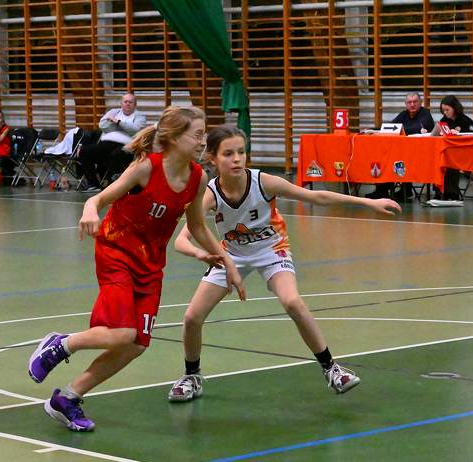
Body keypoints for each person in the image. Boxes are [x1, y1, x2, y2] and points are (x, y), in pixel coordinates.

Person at [27, 106, 246, 432]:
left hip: (150, 265)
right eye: (198, 134)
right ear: (174, 138)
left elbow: (197, 226)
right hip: (116, 254)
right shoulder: (145, 168)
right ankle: (61, 344)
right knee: (123, 333)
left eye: (204, 134)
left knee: (136, 345)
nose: (203, 141)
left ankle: (68, 398)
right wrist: (89, 211)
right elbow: (97, 200)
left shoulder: (198, 178)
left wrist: (225, 259)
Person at [167, 124, 401, 403]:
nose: (237, 159)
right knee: (192, 317)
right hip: (231, 255)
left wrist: (367, 202)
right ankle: (191, 375)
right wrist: (202, 254)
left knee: (292, 301)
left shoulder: (263, 182)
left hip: (271, 249)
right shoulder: (209, 194)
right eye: (228, 154)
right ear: (213, 159)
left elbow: (316, 196)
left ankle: (332, 368)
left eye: (241, 152)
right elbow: (181, 240)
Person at [367, 92, 435, 201]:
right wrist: (372, 130)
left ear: (421, 103)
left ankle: (406, 189)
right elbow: (390, 127)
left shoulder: (425, 115)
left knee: (400, 159)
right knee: (384, 156)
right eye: (409, 102)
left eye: (415, 102)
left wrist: (401, 129)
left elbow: (416, 129)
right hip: (402, 151)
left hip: (421, 154)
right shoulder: (404, 114)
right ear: (406, 104)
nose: (412, 104)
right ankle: (382, 190)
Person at [78, 93, 147, 190]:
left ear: (135, 104)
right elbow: (103, 126)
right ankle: (93, 184)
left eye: (130, 102)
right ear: (121, 103)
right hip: (106, 144)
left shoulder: (140, 116)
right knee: (84, 152)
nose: (127, 104)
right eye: (125, 102)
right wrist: (123, 126)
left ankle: (111, 185)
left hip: (125, 147)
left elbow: (135, 130)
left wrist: (118, 122)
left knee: (117, 155)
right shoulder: (114, 112)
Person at [437, 95, 473, 200]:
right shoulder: (444, 120)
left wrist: (460, 134)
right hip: (449, 152)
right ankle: (439, 190)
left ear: (455, 108)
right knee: (438, 160)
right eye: (443, 110)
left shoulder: (466, 121)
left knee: (449, 162)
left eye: (447, 110)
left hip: (464, 152)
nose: (445, 112)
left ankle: (452, 193)